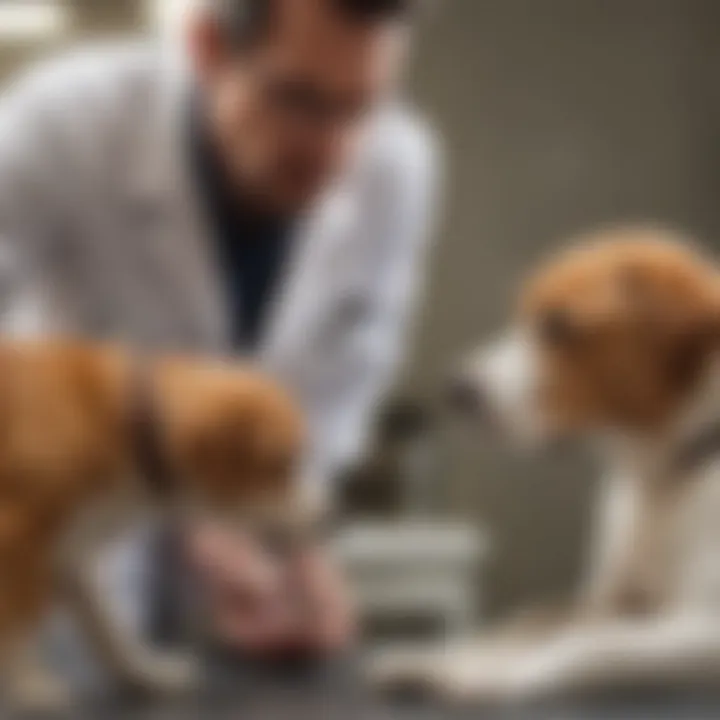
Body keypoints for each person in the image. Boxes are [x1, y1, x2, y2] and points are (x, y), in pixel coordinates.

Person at [0, 0, 440, 681]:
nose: (331, 149)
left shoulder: (399, 167)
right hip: (56, 558)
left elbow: (350, 377)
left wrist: (286, 546)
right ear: (208, 49)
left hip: (238, 572)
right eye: (297, 99)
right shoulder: (68, 120)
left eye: (361, 108)